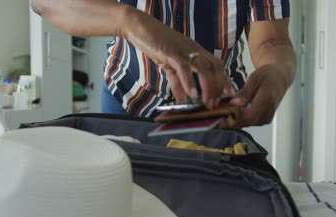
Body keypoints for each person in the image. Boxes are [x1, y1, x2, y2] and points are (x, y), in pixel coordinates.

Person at [31, 0, 296, 127]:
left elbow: (272, 43)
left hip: (213, 111)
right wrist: (129, 21)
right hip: (127, 96)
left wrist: (277, 73)